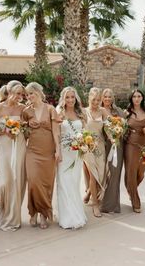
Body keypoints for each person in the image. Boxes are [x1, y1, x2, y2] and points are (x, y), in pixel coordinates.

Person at [0, 80, 26, 231]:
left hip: (20, 145)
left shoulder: (23, 108)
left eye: (22, 94)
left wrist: (23, 127)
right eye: (17, 94)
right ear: (9, 93)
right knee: (4, 182)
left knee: (17, 180)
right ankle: (2, 212)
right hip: (4, 146)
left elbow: (28, 126)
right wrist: (4, 130)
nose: (20, 97)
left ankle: (13, 217)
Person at [22, 82, 60, 229]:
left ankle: (44, 214)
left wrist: (58, 150)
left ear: (38, 92)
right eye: (27, 94)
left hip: (48, 152)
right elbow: (24, 133)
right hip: (32, 151)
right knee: (33, 182)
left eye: (31, 93)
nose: (29, 96)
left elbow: (56, 131)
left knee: (46, 184)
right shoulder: (26, 111)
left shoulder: (50, 109)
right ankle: (33, 213)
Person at [56, 86, 87, 229]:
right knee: (64, 183)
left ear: (76, 98)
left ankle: (76, 213)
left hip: (77, 154)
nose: (70, 100)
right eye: (67, 97)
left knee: (74, 183)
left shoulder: (81, 113)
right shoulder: (59, 113)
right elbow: (56, 134)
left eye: (72, 97)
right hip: (64, 152)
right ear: (63, 99)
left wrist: (85, 144)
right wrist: (58, 152)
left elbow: (85, 132)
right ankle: (66, 216)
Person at [124, 89, 145, 213]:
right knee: (131, 172)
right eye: (134, 96)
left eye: (139, 96)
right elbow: (122, 128)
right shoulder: (127, 112)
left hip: (144, 145)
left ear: (142, 98)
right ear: (131, 98)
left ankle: (131, 190)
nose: (136, 98)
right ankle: (135, 200)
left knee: (141, 173)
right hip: (130, 145)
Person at [84, 87, 109, 218]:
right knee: (93, 174)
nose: (96, 102)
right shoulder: (83, 112)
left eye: (98, 100)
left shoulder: (103, 111)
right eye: (94, 100)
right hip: (88, 147)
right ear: (89, 99)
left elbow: (110, 127)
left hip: (100, 147)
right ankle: (95, 205)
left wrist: (114, 134)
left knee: (101, 174)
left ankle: (89, 192)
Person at [100, 88, 125, 214]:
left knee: (114, 173)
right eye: (105, 96)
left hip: (117, 145)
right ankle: (97, 199)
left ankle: (112, 205)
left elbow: (125, 125)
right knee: (102, 173)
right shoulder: (98, 111)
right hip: (102, 145)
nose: (108, 99)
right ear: (102, 98)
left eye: (110, 96)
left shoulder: (118, 111)